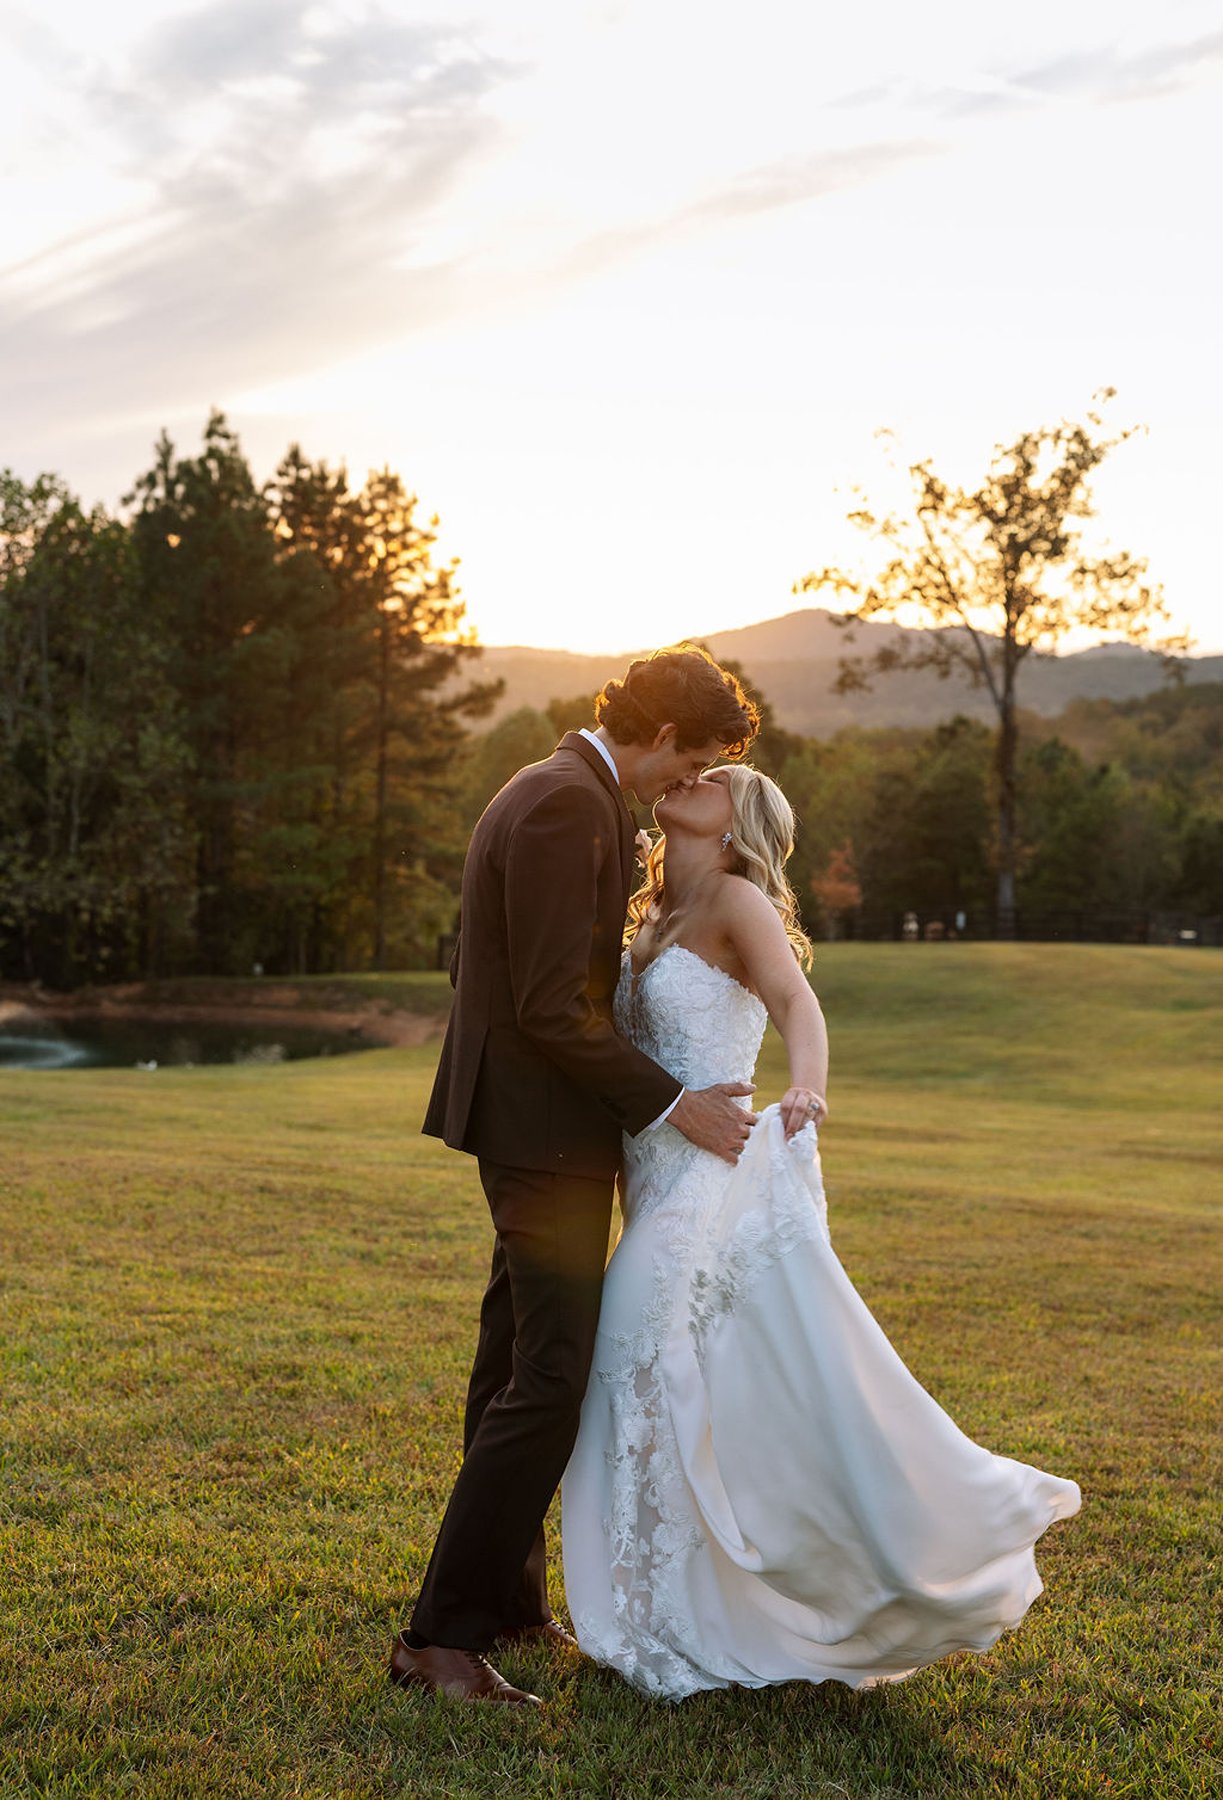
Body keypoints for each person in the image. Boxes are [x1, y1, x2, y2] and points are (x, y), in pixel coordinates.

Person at [561, 762, 1081, 1698]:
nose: (687, 777)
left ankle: (695, 1608)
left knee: (640, 1356)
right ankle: (655, 1603)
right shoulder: (649, 916)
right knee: (657, 1374)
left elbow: (798, 1002)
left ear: (736, 823)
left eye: (712, 778)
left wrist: (806, 1085)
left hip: (709, 1175)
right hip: (648, 1173)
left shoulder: (732, 899)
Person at [390, 646, 761, 1705]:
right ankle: (439, 1636)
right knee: (551, 1376)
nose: (680, 785)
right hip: (544, 1134)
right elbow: (554, 1006)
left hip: (535, 1128)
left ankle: (501, 1604)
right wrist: (669, 1101)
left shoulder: (562, 786)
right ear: (656, 737)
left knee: (512, 1360)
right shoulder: (564, 805)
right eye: (686, 761)